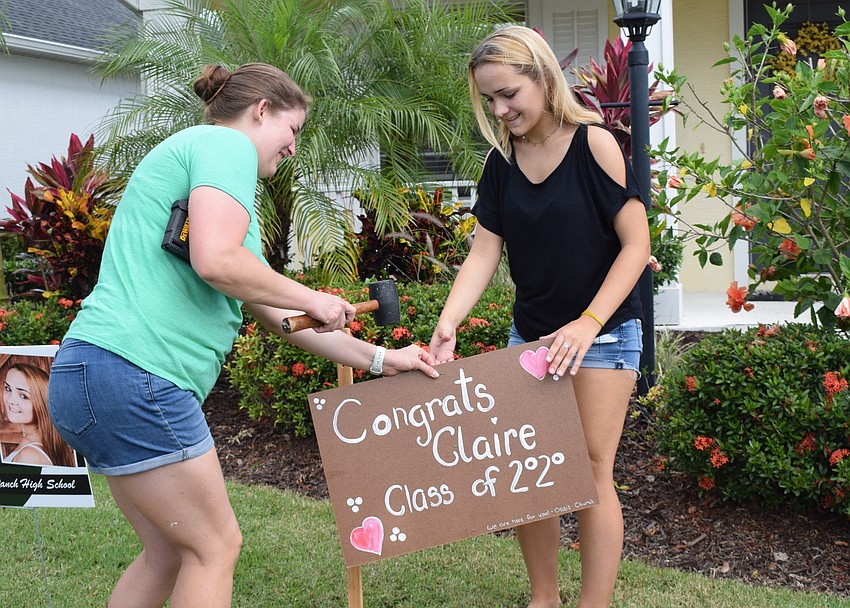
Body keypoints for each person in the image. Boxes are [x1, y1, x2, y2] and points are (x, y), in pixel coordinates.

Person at [47, 62, 439, 608]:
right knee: (215, 547)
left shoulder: (219, 193)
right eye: (293, 130)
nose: (294, 148)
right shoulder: (222, 146)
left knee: (167, 551)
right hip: (138, 374)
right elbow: (216, 260)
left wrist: (379, 359)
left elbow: (277, 315)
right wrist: (311, 296)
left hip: (89, 374)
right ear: (261, 111)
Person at [428, 26, 650, 608]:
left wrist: (588, 322)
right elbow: (485, 249)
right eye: (490, 100)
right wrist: (450, 320)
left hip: (601, 335)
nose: (501, 110)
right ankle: (543, 599)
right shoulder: (502, 159)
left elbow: (636, 245)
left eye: (509, 94)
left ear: (542, 77)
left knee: (592, 472)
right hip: (531, 334)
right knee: (535, 472)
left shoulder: (593, 143)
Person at [2, 362, 74, 466]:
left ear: (42, 402)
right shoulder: (31, 443)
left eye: (23, 396)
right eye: (8, 389)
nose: (10, 400)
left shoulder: (29, 456)